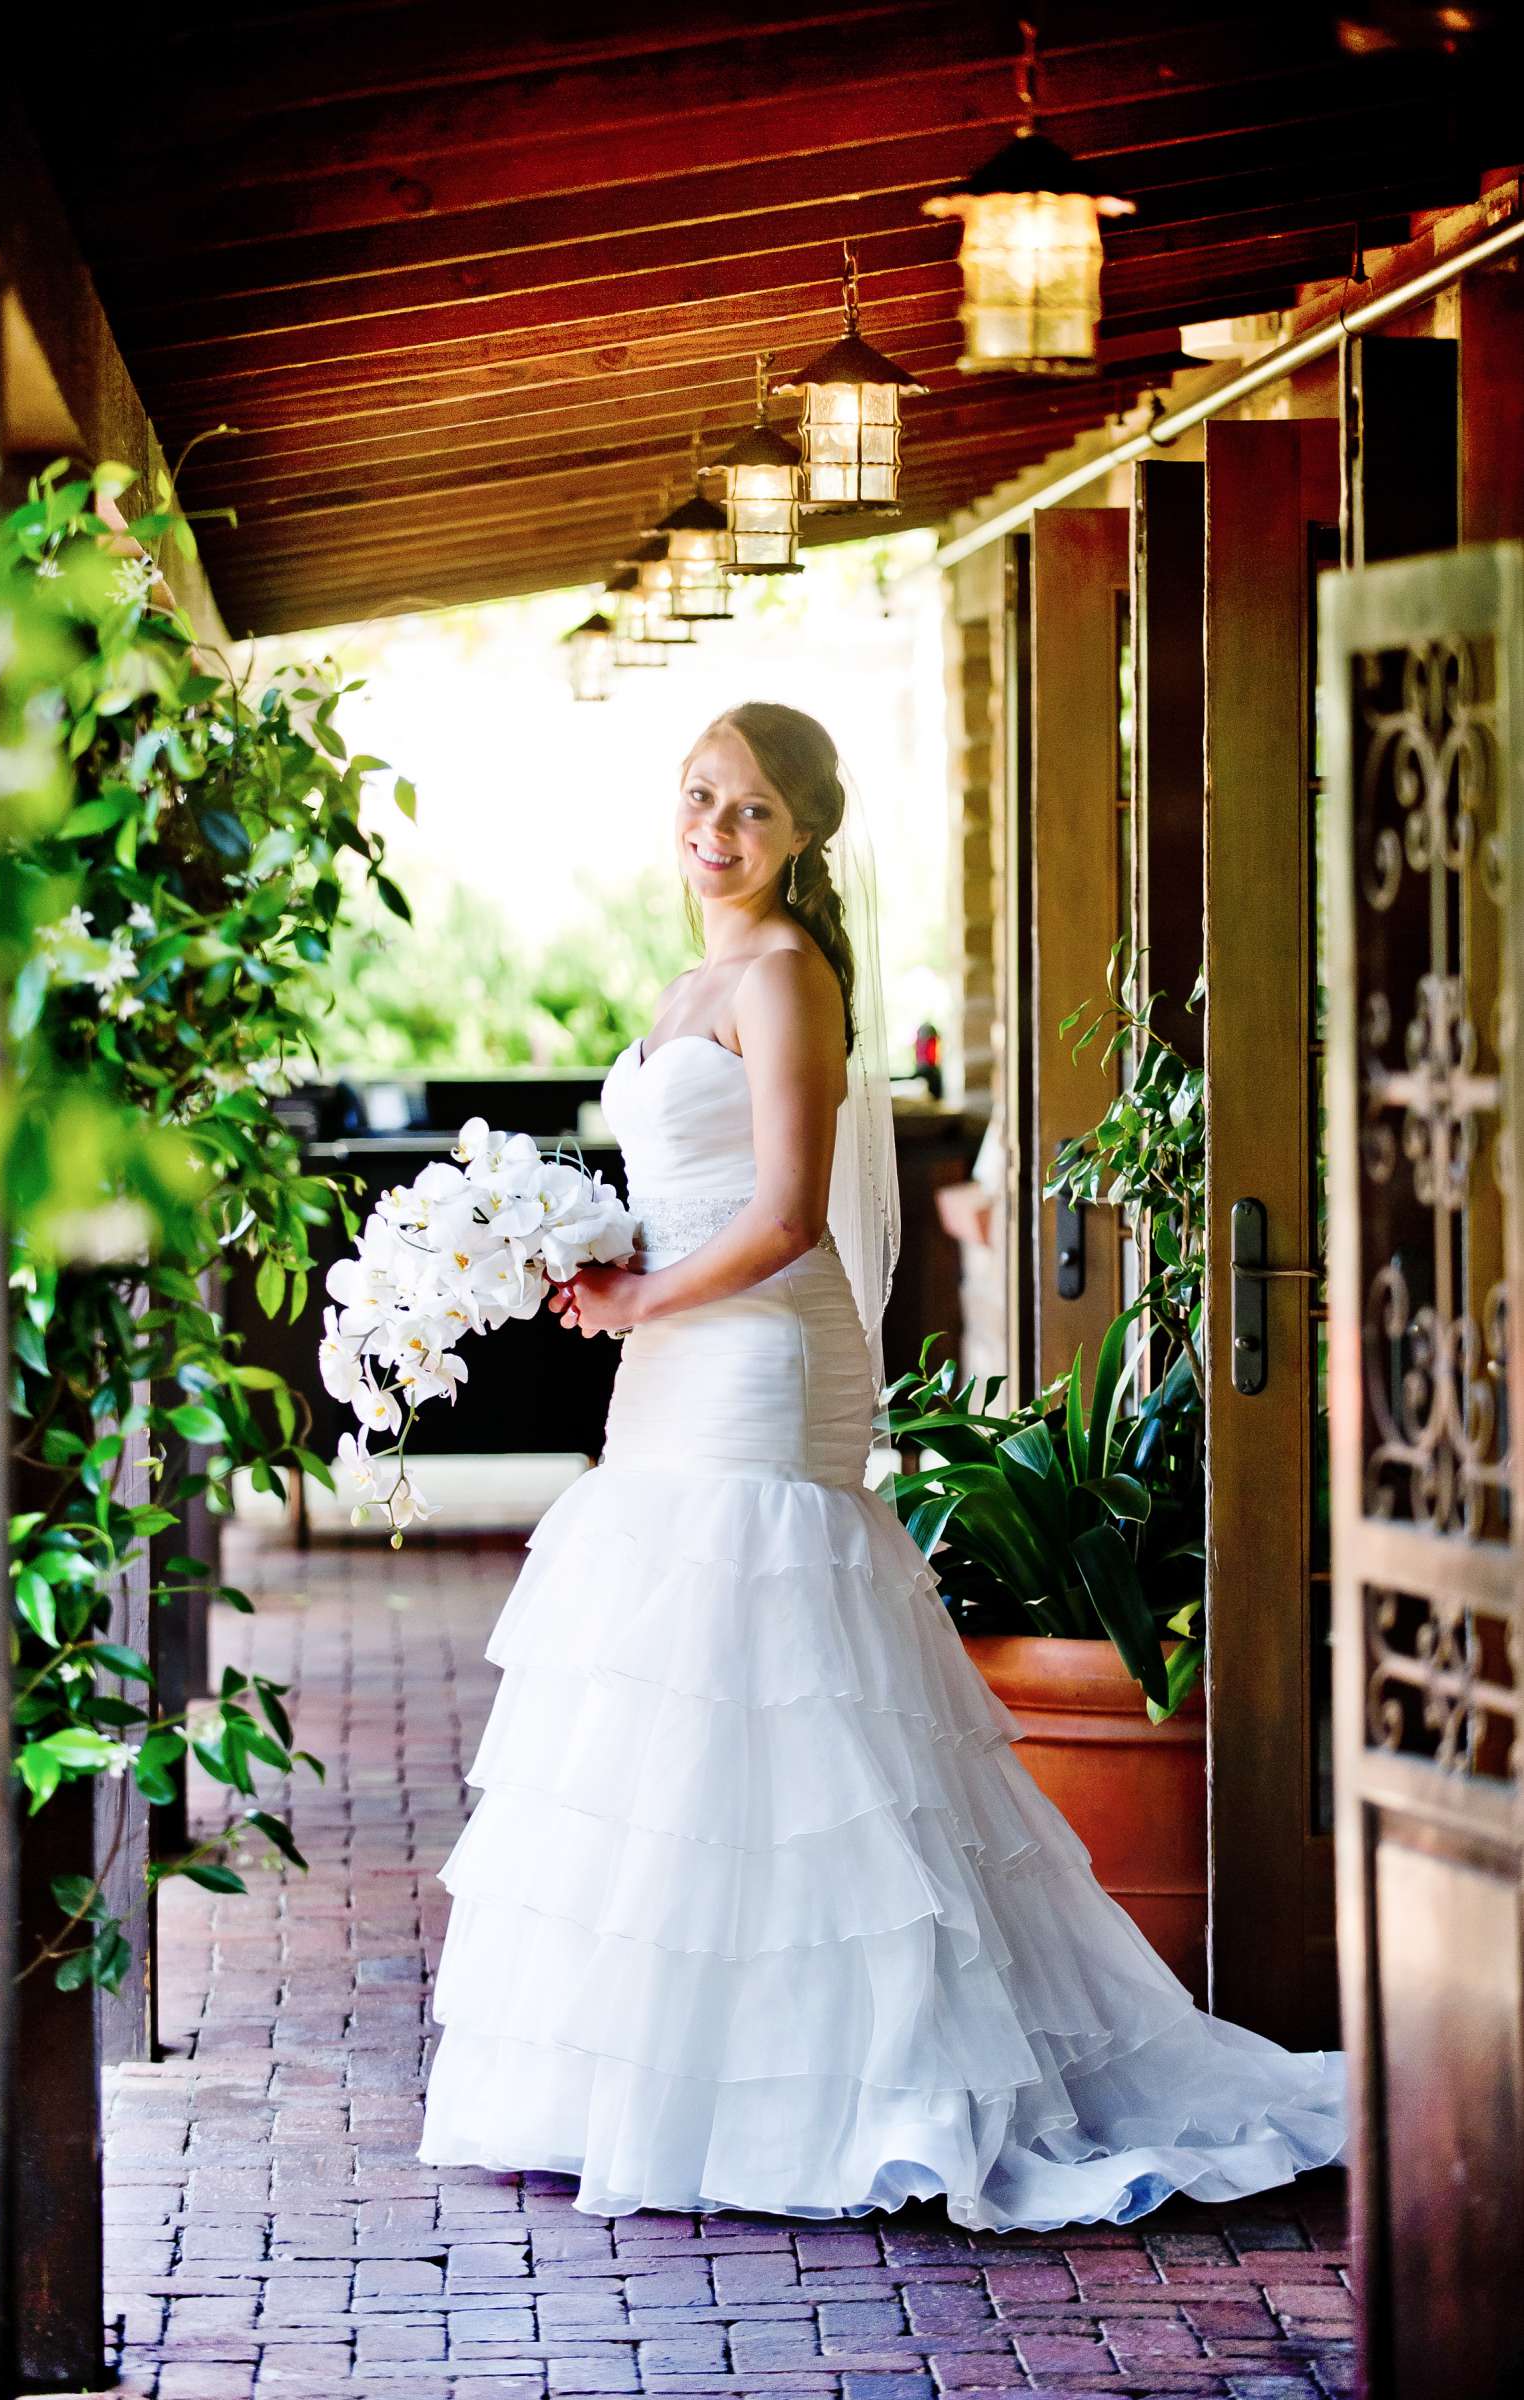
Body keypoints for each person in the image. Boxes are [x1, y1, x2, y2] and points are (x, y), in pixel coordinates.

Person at [417, 700, 1345, 2228]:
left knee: (776, 1693)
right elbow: (688, 1189)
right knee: (675, 1712)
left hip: (762, 1363)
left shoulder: (787, 976)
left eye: (756, 811)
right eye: (701, 795)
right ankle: (676, 2079)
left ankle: (874, 2086)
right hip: (671, 1367)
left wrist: (646, 1293)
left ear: (806, 837)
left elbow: (785, 1214)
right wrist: (573, 1261)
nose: (717, 829)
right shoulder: (686, 976)